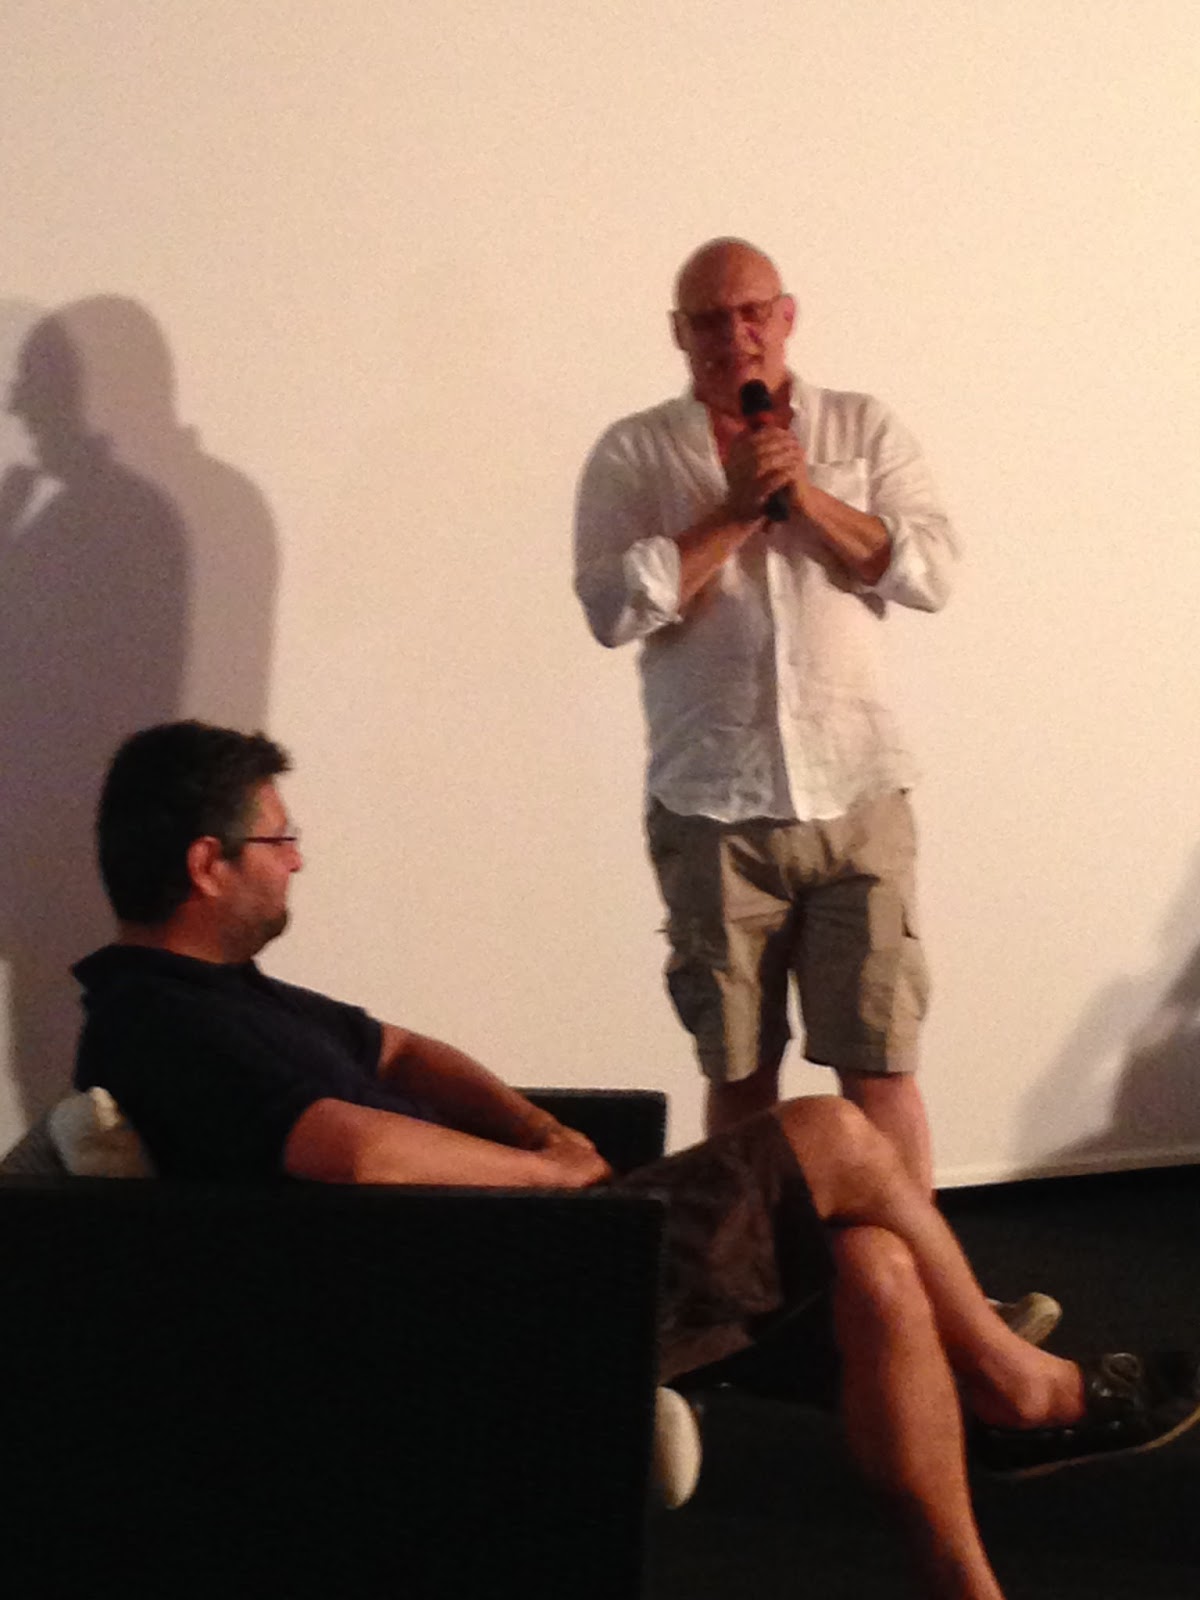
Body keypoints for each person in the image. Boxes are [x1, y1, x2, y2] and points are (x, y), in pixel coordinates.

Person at [73, 722, 1200, 1600]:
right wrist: (553, 1180)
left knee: (880, 1267)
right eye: (278, 841)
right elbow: (356, 1153)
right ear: (207, 864)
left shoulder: (235, 998)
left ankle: (965, 1585)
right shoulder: (163, 1021)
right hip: (484, 1307)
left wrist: (539, 1131)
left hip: (518, 1257)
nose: (298, 861)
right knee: (832, 1133)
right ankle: (1022, 1385)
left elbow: (402, 1054)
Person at [574, 236, 957, 1195]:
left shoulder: (862, 426)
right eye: (710, 319)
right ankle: (752, 1280)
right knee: (740, 1072)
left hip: (858, 796)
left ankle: (918, 1274)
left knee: (881, 1064)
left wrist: (805, 498)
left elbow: (930, 572)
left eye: (752, 313)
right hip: (714, 809)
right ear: (679, 333)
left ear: (787, 316)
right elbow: (611, 609)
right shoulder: (633, 452)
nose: (734, 336)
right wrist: (737, 511)